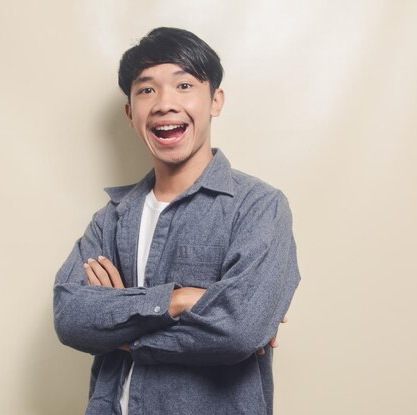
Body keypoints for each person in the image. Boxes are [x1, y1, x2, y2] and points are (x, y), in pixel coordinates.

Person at [53, 27, 301, 415]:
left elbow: (240, 331)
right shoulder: (111, 219)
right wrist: (178, 299)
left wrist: (120, 329)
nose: (165, 103)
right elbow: (71, 317)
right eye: (147, 90)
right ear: (130, 113)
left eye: (184, 85)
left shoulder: (259, 206)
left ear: (215, 100)